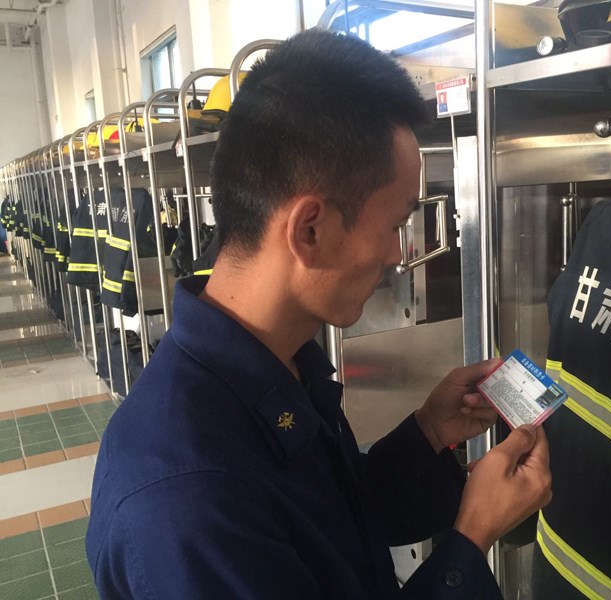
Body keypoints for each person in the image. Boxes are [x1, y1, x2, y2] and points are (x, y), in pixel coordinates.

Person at [85, 30, 552, 599]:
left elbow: (330, 529)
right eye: (395, 224)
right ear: (310, 229)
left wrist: (430, 431)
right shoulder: (188, 503)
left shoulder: (279, 364)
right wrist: (472, 539)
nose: (397, 254)